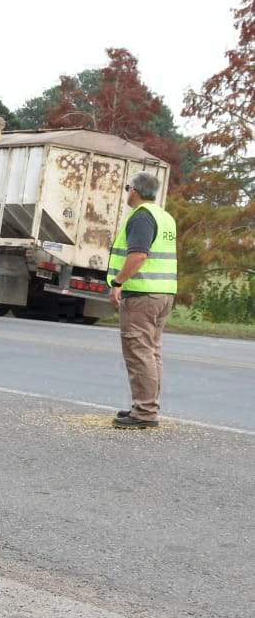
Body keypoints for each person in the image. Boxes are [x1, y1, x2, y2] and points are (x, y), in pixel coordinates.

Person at [108, 171, 178, 429]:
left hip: (142, 295)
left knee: (139, 352)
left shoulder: (141, 217)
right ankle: (146, 406)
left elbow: (138, 255)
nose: (128, 192)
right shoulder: (165, 216)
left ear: (134, 191)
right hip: (163, 293)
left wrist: (118, 282)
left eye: (128, 188)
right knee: (151, 352)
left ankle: (145, 412)